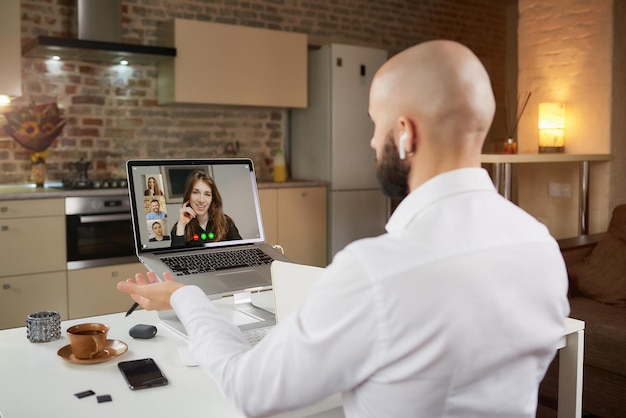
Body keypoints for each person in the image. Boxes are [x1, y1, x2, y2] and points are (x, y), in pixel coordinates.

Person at [118, 40, 569, 417]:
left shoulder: (377, 271)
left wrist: (184, 296)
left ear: (406, 134)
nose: (374, 142)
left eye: (376, 125)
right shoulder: (541, 247)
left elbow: (250, 389)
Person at [169, 170, 241, 247]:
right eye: (196, 192)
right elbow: (177, 257)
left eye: (207, 194)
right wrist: (181, 226)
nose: (201, 200)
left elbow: (241, 252)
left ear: (212, 198)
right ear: (188, 195)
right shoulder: (179, 227)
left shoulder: (226, 222)